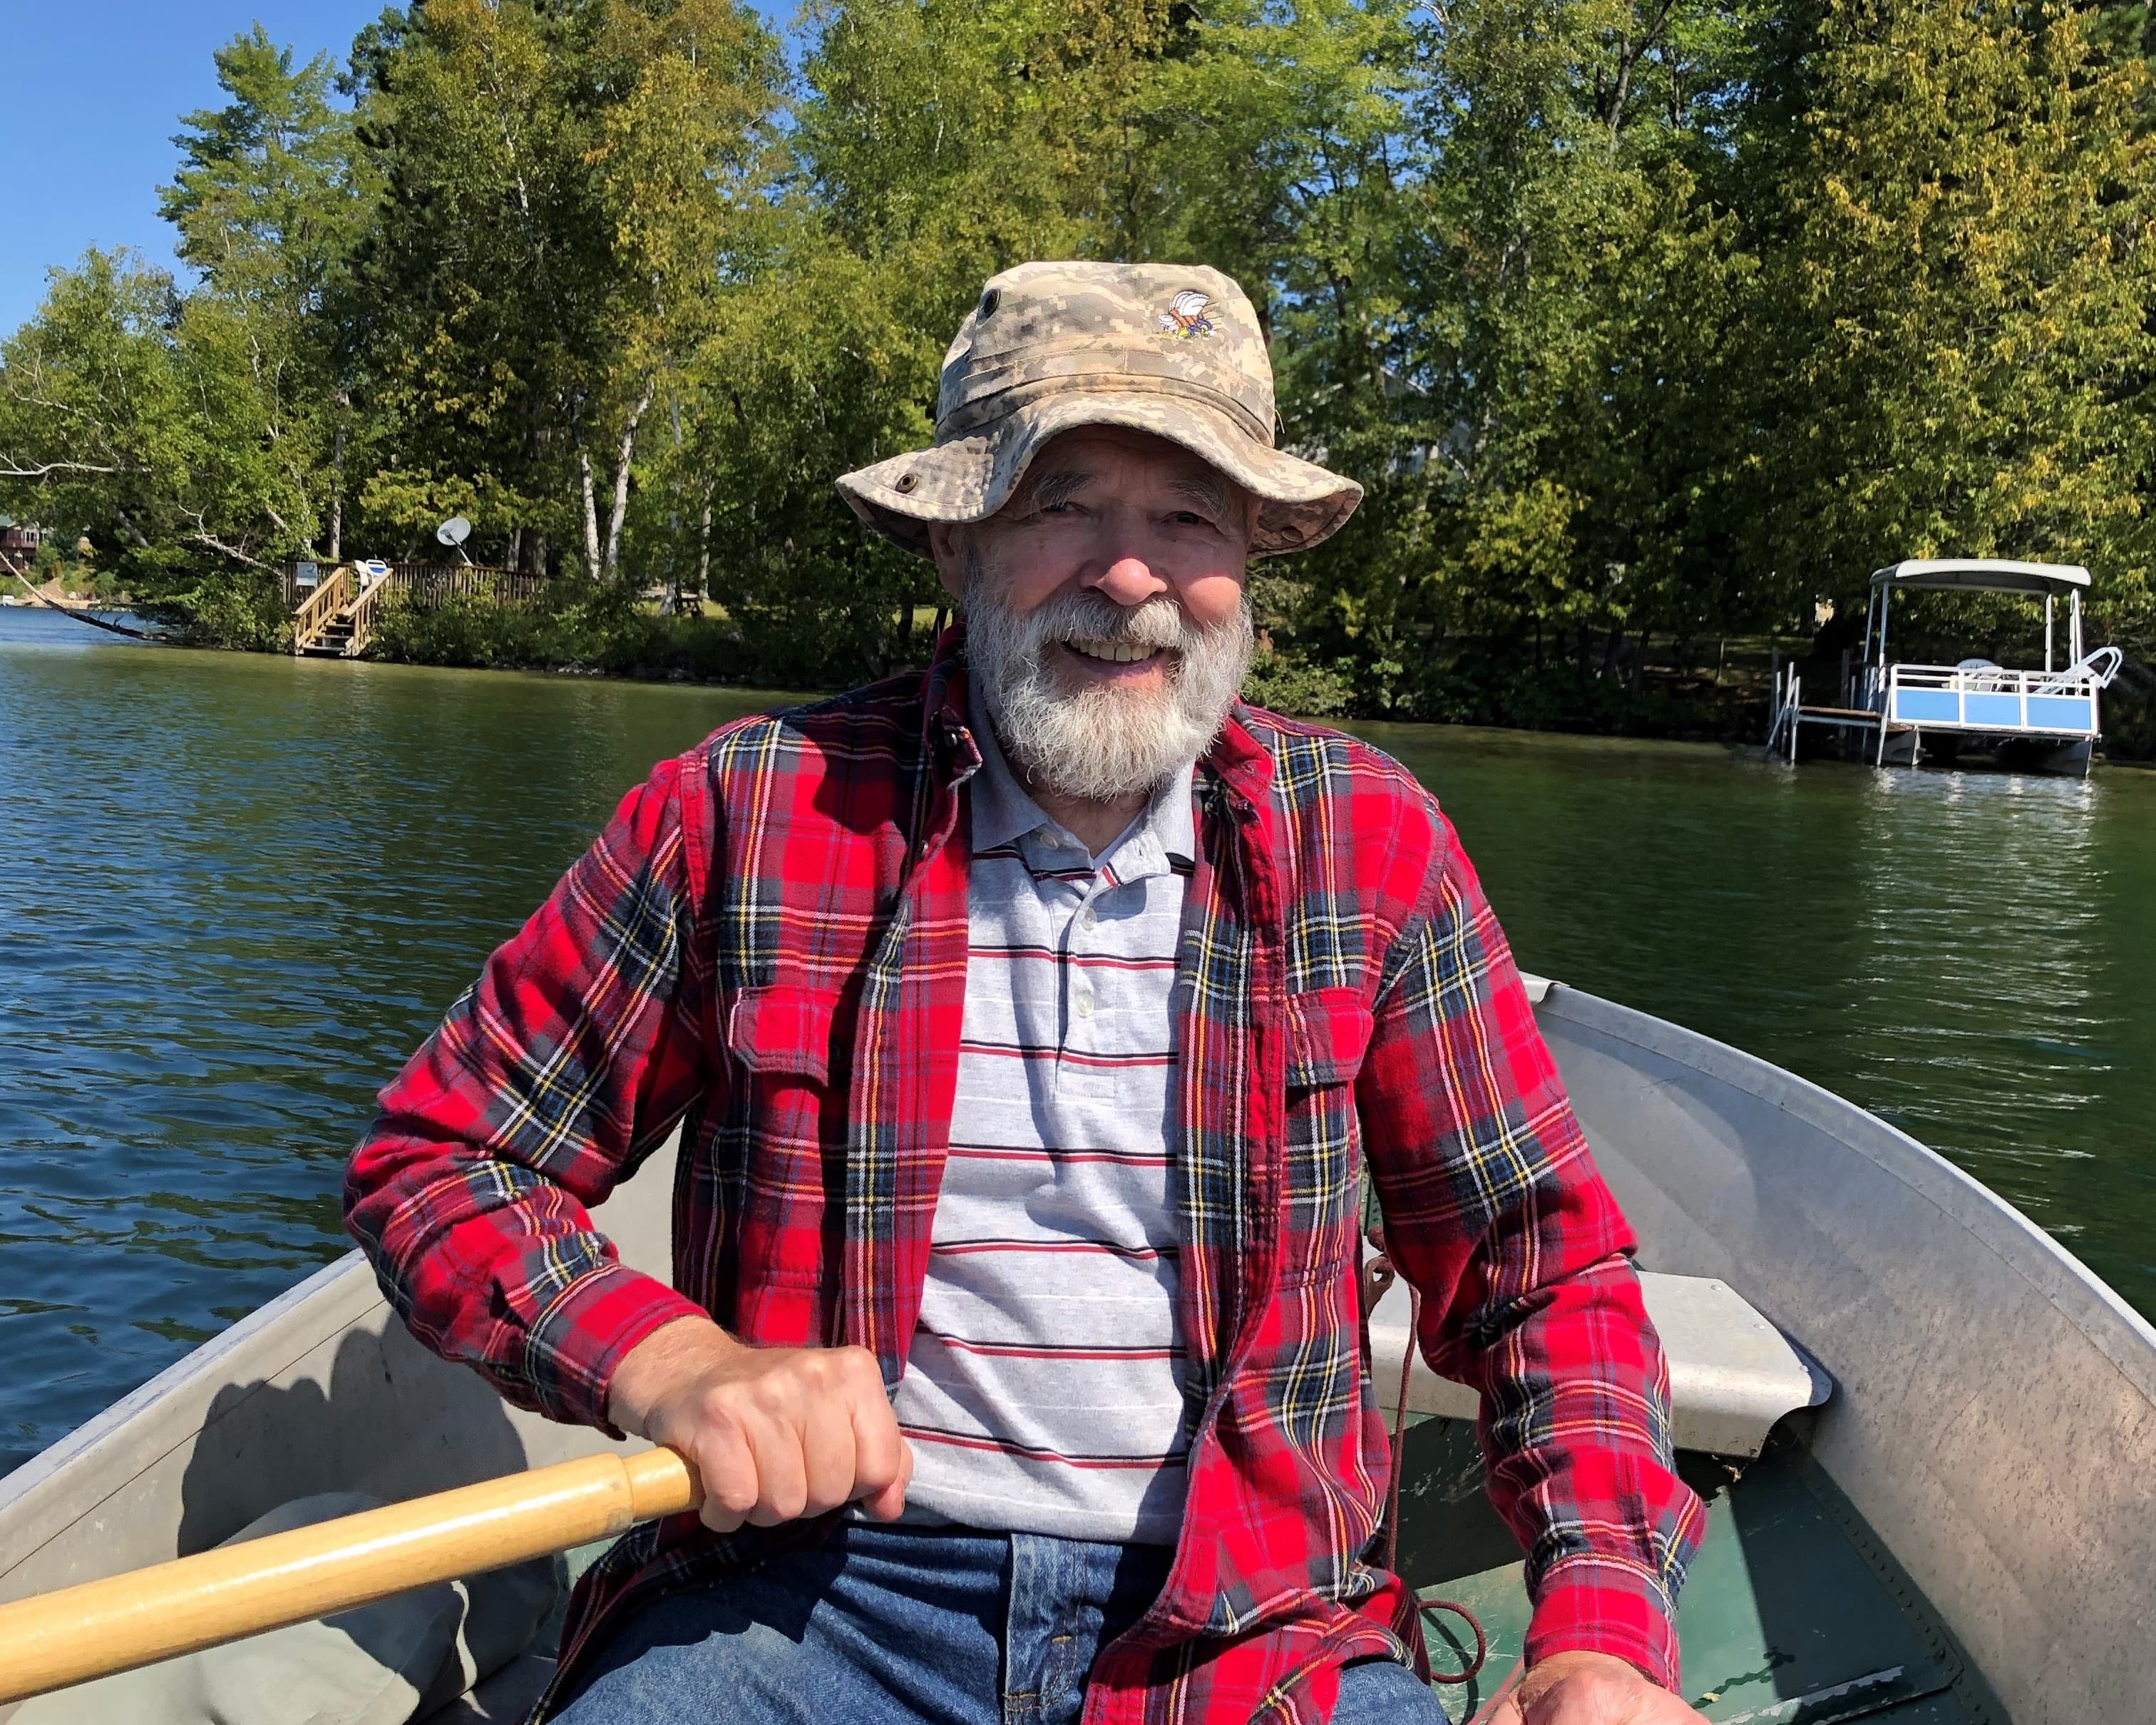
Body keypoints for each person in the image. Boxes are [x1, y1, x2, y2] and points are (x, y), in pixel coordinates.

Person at [345, 261, 1708, 1725]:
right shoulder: (743, 811)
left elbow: (1538, 1272)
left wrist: (1596, 1635)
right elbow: (442, 1163)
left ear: (1248, 556)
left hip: (1253, 1634)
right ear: (955, 546)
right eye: (1063, 504)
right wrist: (669, 1360)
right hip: (808, 1604)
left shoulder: (1366, 844)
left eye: (1187, 517)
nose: (1128, 576)